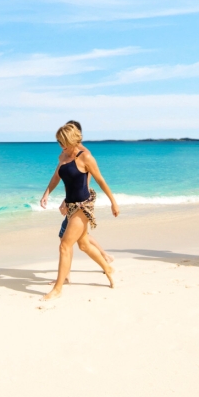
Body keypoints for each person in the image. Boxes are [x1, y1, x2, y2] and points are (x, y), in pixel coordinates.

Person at [39, 123, 119, 300]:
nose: (61, 146)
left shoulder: (86, 157)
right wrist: (46, 193)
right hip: (71, 205)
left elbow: (100, 180)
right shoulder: (63, 156)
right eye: (59, 142)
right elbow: (56, 177)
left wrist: (113, 202)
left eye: (63, 142)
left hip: (83, 206)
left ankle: (59, 288)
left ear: (71, 139)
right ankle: (108, 268)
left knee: (64, 245)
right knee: (83, 245)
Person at [48, 121, 113, 273]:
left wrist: (67, 201)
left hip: (80, 203)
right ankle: (105, 259)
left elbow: (84, 183)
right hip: (73, 201)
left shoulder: (84, 154)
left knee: (67, 241)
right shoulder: (66, 154)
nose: (62, 143)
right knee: (81, 240)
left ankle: (67, 276)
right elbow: (63, 178)